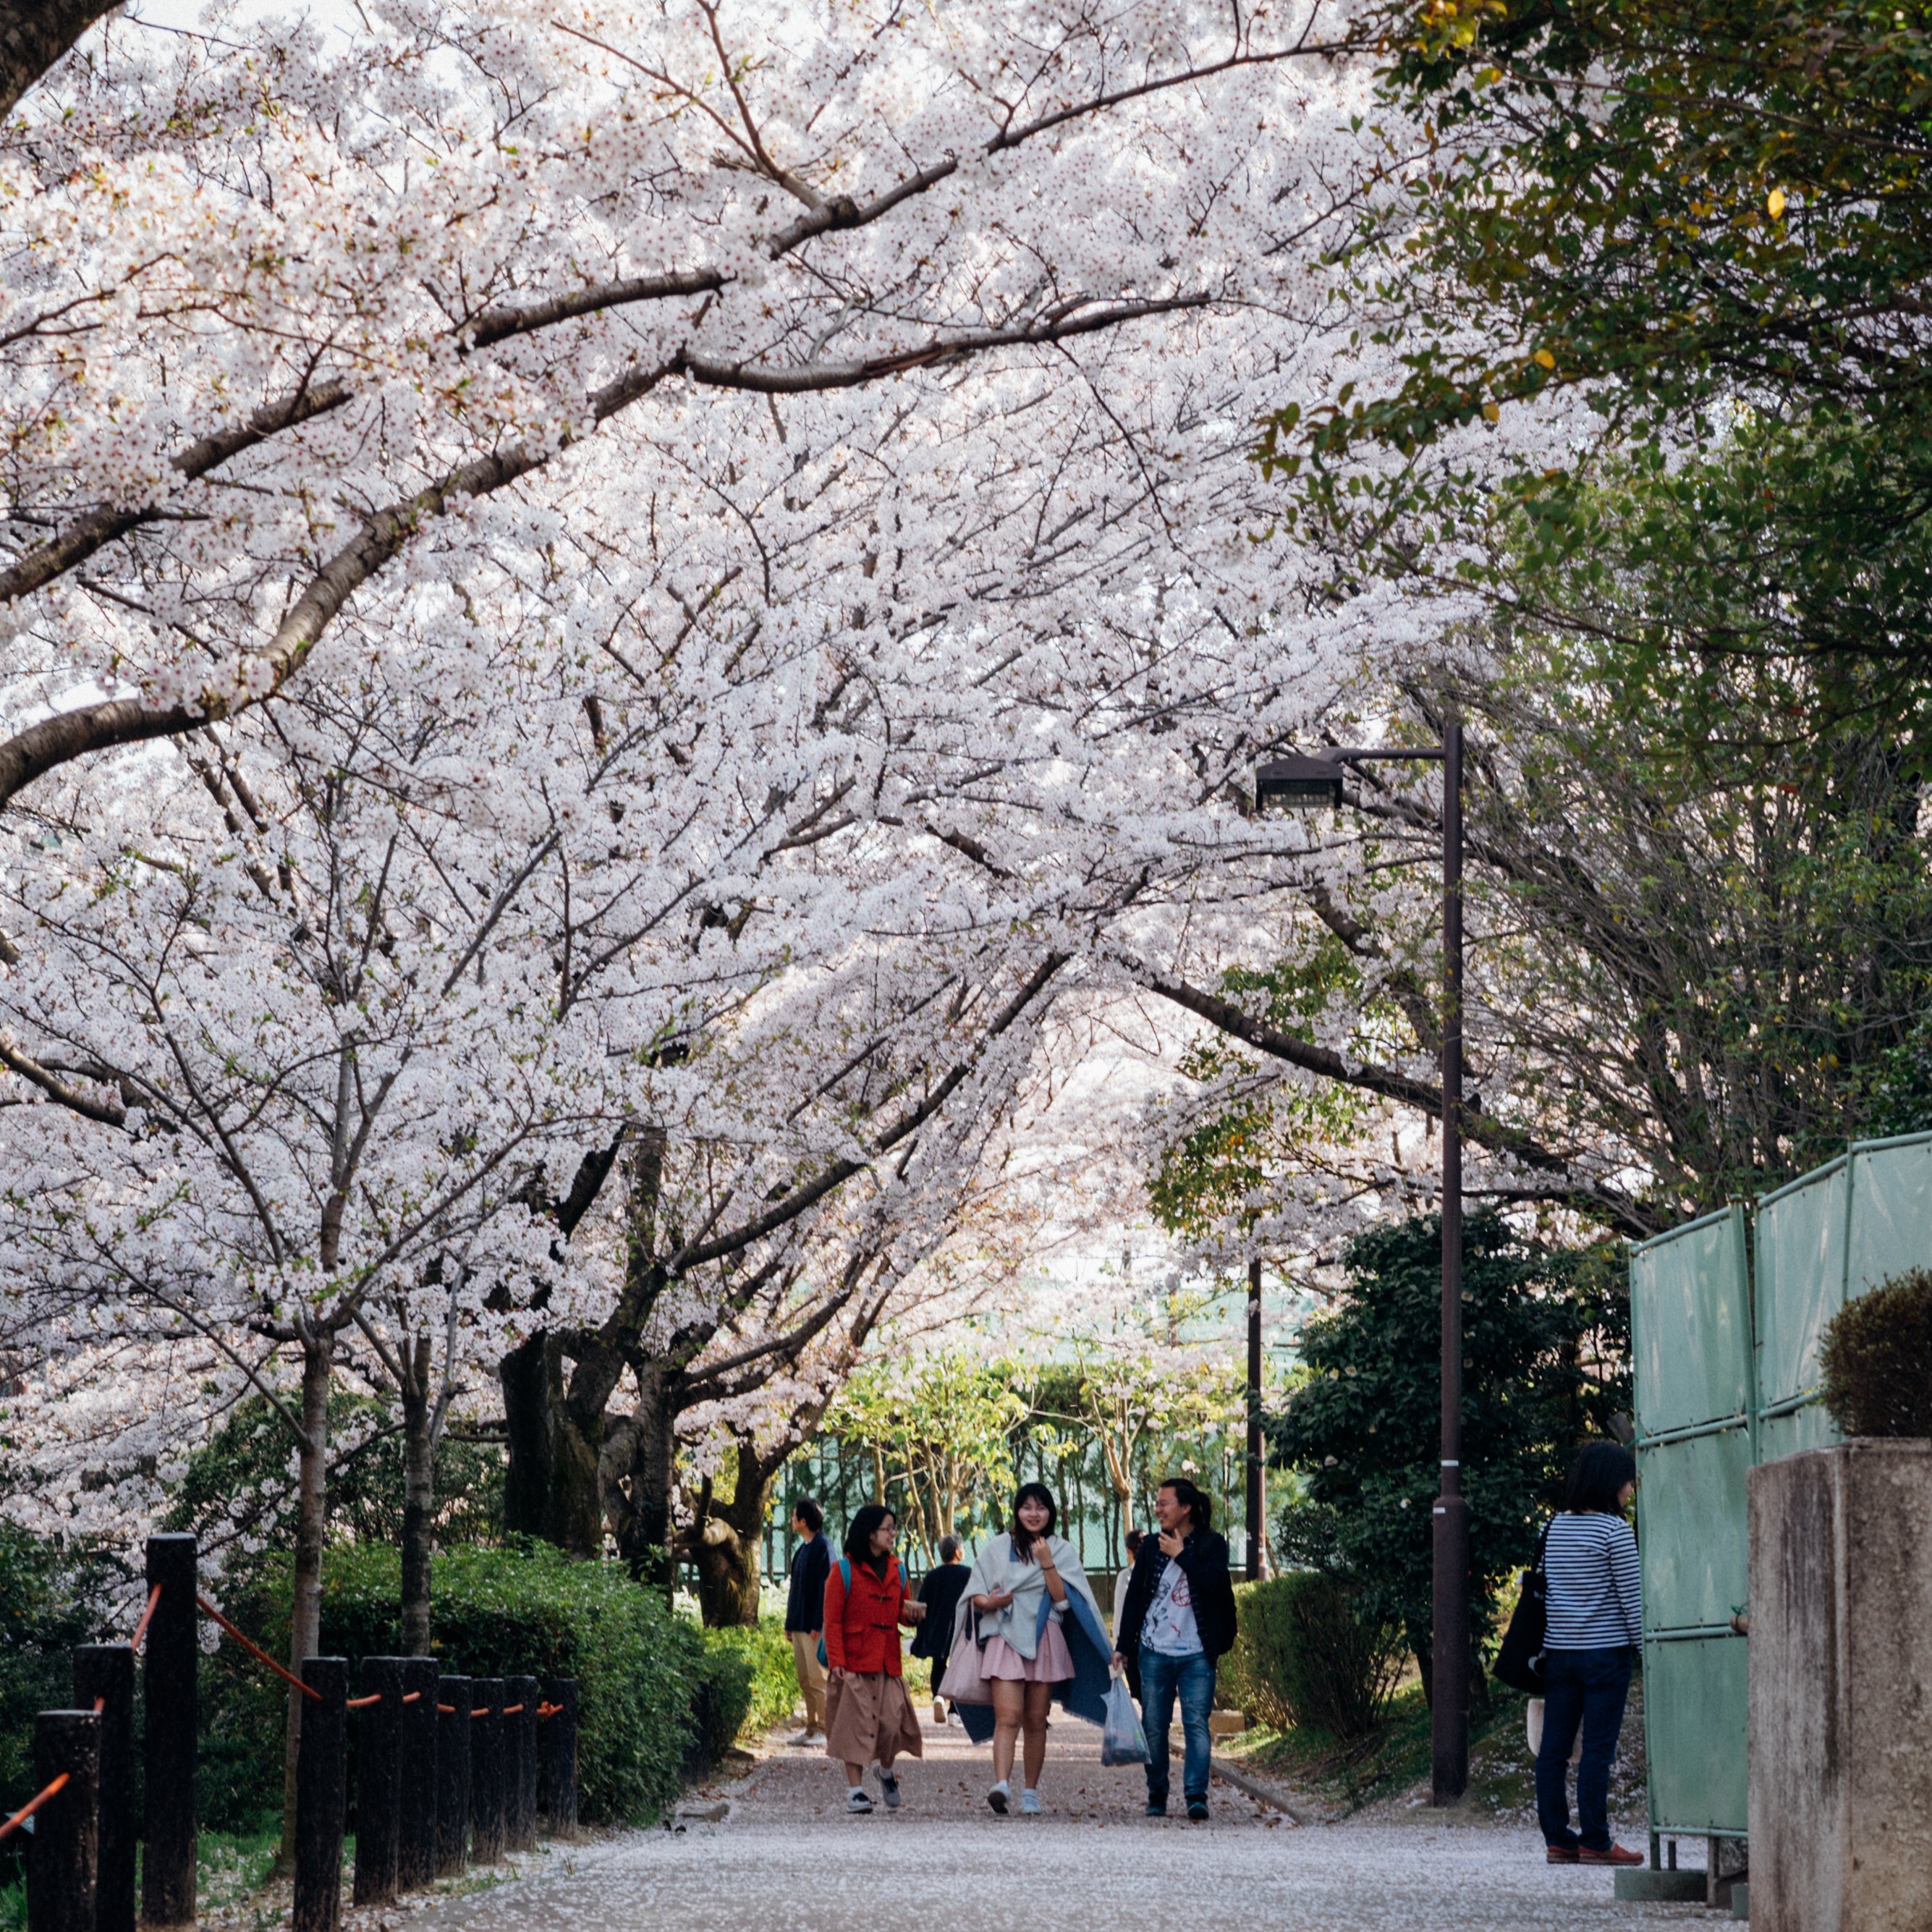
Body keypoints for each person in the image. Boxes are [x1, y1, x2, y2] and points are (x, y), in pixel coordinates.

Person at [954, 1482, 1111, 1816]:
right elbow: (975, 1595)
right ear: (1017, 1511)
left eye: (1041, 1507)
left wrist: (1046, 1561)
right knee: (1007, 1717)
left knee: (1037, 1720)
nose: (1034, 1514)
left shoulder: (1061, 1549)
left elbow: (1064, 1600)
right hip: (1004, 1636)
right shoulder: (997, 1547)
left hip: (1045, 1637)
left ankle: (1030, 1792)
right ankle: (1002, 1785)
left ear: (1051, 1512)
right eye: (1027, 1507)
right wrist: (991, 1601)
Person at [1536, 1441, 1644, 1868]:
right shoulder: (1614, 1532)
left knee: (1554, 1751)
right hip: (1606, 1657)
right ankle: (1597, 1841)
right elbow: (1632, 1600)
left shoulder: (1552, 1528)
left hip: (1560, 1656)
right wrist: (1644, 1649)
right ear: (1610, 1482)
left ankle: (1559, 1840)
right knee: (1597, 1752)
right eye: (1627, 1480)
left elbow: (1545, 1589)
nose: (1630, 1489)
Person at [1113, 1476, 1237, 1821]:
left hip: (1198, 1652)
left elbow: (1214, 1585)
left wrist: (1182, 1556)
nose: (1157, 1509)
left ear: (1185, 1507)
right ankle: (1157, 1792)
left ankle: (1196, 1795)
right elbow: (1136, 1598)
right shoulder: (1151, 1546)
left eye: (1164, 1503)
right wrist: (1124, 1646)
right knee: (1154, 1724)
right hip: (1154, 1651)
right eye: (1156, 1503)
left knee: (1196, 1722)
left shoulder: (1213, 1544)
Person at [823, 1502, 926, 1813]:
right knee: (853, 1728)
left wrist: (912, 1616)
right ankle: (856, 1792)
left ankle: (884, 1770)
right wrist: (837, 1660)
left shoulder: (899, 1569)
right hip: (853, 1662)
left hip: (887, 1661)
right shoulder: (843, 1571)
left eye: (893, 1528)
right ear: (870, 1534)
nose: (893, 1534)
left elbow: (900, 1614)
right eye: (888, 1528)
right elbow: (833, 1619)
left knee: (892, 1725)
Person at [783, 1497, 832, 1746]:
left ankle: (824, 1729)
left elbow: (828, 1590)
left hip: (815, 1627)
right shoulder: (802, 1549)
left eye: (794, 1516)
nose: (792, 1520)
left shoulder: (824, 1547)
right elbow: (796, 1590)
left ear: (804, 1521)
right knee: (805, 1678)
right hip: (799, 1625)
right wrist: (789, 1623)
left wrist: (819, 1623)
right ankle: (811, 1728)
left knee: (818, 1679)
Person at [909, 1533, 970, 1724]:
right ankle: (955, 1712)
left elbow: (922, 1604)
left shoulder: (932, 1576)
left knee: (939, 1664)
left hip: (937, 1628)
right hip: (961, 1628)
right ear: (958, 1552)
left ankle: (938, 1697)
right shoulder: (968, 1573)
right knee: (959, 1668)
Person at [1111, 1528, 1143, 1639]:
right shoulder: (1158, 1572)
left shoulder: (1126, 1576)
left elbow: (1120, 1613)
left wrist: (1118, 1644)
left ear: (1128, 1551)